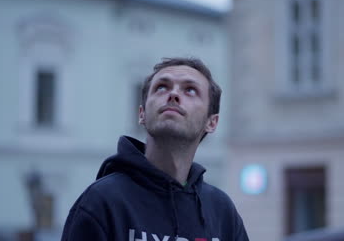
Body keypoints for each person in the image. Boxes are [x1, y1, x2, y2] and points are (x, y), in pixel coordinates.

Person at [61, 57, 249, 241]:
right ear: (142, 114)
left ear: (211, 122)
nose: (173, 94)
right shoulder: (102, 201)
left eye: (190, 90)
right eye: (161, 87)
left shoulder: (221, 211)